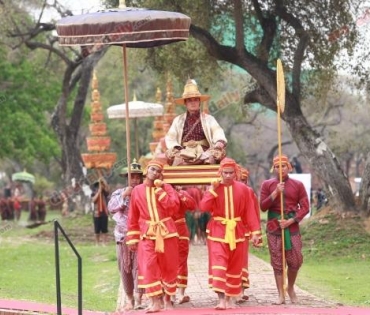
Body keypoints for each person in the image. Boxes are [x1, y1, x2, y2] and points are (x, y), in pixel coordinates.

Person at [199, 158, 261, 310]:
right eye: (225, 173)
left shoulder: (244, 190)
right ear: (220, 172)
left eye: (231, 173)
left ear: (235, 173)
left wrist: (255, 233)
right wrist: (212, 190)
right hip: (218, 231)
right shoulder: (214, 188)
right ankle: (221, 299)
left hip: (237, 231)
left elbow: (250, 213)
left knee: (235, 265)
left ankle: (230, 298)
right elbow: (203, 207)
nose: (227, 176)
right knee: (219, 264)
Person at [125, 159, 180, 313]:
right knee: (148, 266)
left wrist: (161, 193)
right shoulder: (137, 191)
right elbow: (133, 216)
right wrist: (132, 238)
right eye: (153, 170)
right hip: (147, 233)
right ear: (147, 171)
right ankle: (155, 301)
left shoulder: (167, 188)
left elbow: (174, 208)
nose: (155, 173)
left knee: (169, 266)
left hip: (167, 232)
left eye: (158, 171)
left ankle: (167, 300)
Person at [259, 154, 309, 305]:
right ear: (273, 168)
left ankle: (291, 287)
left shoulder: (298, 185)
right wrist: (275, 193)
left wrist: (291, 221)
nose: (280, 169)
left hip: (291, 226)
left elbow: (305, 207)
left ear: (289, 167)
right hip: (274, 227)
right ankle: (281, 294)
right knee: (277, 261)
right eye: (277, 166)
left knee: (296, 261)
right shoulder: (267, 185)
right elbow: (263, 206)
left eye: (283, 166)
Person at [107, 160, 145, 311]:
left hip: (141, 236)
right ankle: (129, 299)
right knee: (125, 268)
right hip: (123, 237)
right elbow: (111, 207)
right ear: (127, 178)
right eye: (132, 177)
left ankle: (139, 298)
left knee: (140, 268)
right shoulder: (119, 193)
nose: (135, 180)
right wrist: (124, 195)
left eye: (138, 177)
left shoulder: (145, 192)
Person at [165, 78, 227, 166]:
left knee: (216, 154)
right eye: (189, 100)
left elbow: (218, 132)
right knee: (169, 155)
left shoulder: (209, 119)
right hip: (183, 152)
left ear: (199, 102)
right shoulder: (178, 120)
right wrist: (178, 149)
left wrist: (218, 143)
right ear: (185, 103)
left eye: (195, 100)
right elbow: (170, 138)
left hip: (205, 152)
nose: (193, 102)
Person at [237, 166, 262, 303]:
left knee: (242, 261)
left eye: (244, 180)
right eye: (240, 179)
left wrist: (256, 233)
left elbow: (254, 213)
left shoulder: (249, 192)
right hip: (228, 229)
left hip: (244, 230)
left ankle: (241, 290)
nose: (242, 183)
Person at [172, 186, 196, 304]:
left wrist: (180, 193)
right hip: (164, 229)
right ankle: (169, 294)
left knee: (181, 261)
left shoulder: (181, 192)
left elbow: (192, 206)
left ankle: (181, 293)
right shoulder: (158, 191)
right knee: (167, 262)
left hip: (180, 228)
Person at [91, 177, 110, 246]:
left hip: (104, 213)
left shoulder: (105, 193)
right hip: (97, 213)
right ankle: (97, 243)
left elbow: (108, 189)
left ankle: (104, 243)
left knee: (104, 229)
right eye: (98, 186)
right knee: (97, 230)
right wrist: (98, 192)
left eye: (101, 185)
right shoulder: (93, 193)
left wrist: (104, 181)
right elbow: (93, 200)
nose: (100, 187)